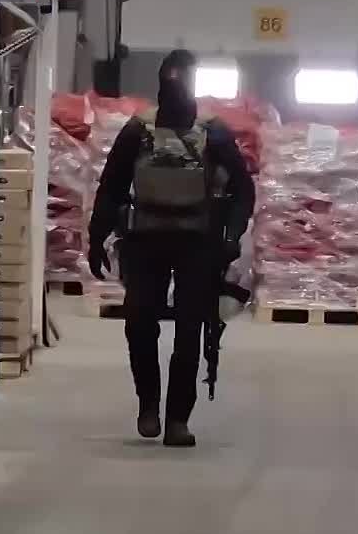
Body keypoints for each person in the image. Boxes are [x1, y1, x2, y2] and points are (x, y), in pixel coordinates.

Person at [87, 49, 254, 447]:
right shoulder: (138, 130)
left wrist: (231, 236)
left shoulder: (213, 131)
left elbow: (243, 189)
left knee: (190, 329)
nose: (176, 86)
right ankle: (149, 405)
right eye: (171, 78)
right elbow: (111, 186)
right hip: (145, 239)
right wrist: (96, 237)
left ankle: (178, 418)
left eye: (182, 78)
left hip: (198, 241)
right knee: (139, 323)